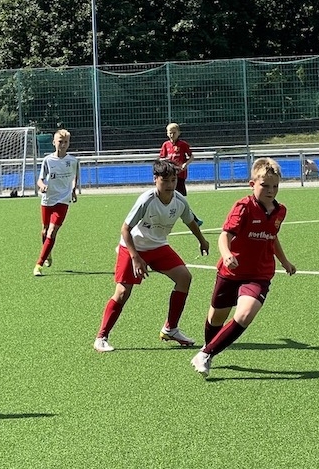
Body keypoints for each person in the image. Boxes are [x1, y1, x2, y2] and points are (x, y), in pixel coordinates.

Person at [190, 159, 296, 378]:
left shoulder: (280, 211)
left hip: (260, 274)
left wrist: (284, 261)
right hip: (232, 271)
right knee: (216, 318)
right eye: (265, 185)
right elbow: (225, 235)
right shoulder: (243, 207)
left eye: (275, 186)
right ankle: (209, 348)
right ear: (252, 184)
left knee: (246, 313)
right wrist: (226, 254)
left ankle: (205, 354)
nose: (271, 191)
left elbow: (272, 237)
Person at [94, 159, 210, 352]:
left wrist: (202, 240)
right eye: (165, 180)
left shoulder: (180, 201)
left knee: (184, 278)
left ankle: (170, 329)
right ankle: (101, 337)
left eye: (173, 180)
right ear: (155, 179)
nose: (170, 185)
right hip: (133, 247)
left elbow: (190, 221)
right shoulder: (146, 200)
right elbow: (125, 230)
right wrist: (135, 258)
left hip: (158, 246)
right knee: (122, 292)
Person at [34, 129, 79, 277]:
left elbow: (75, 176)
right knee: (45, 230)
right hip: (48, 199)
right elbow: (40, 180)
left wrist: (73, 190)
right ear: (54, 142)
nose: (63, 144)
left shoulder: (73, 161)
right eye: (60, 141)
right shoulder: (48, 160)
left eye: (66, 142)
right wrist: (42, 186)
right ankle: (48, 253)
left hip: (63, 200)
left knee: (52, 231)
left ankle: (39, 264)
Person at [159, 123, 194, 197]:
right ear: (167, 134)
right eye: (170, 133)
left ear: (179, 133)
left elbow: (191, 156)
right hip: (169, 174)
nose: (172, 135)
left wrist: (185, 164)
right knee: (170, 193)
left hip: (180, 173)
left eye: (174, 133)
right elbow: (161, 158)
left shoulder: (183, 144)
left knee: (181, 194)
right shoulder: (165, 145)